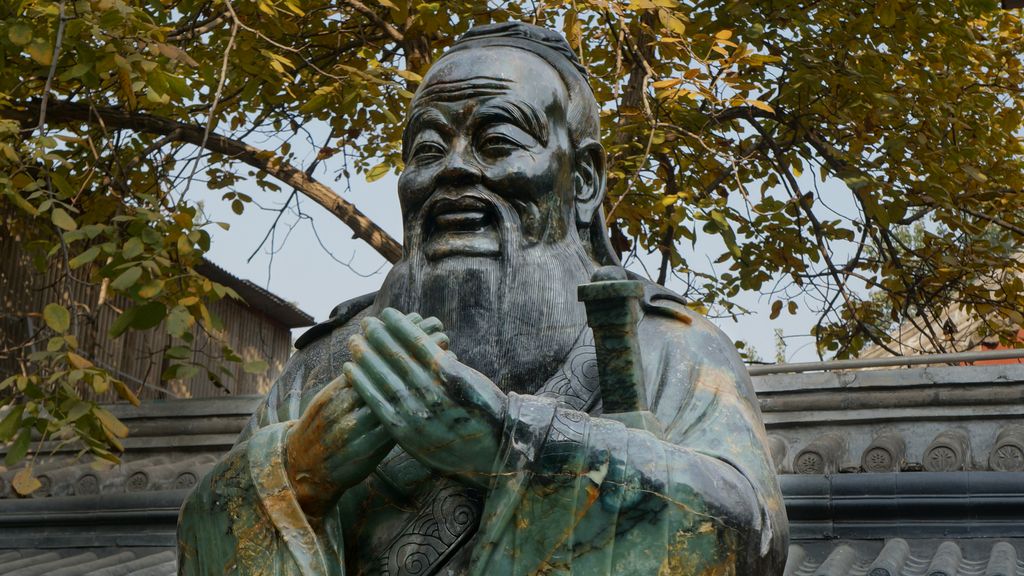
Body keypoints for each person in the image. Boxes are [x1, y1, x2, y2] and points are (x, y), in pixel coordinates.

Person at [177, 21, 787, 576]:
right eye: (427, 149)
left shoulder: (666, 346)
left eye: (496, 141)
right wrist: (294, 477)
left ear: (582, 180)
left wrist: (509, 444)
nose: (453, 169)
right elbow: (204, 532)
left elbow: (748, 533)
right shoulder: (324, 367)